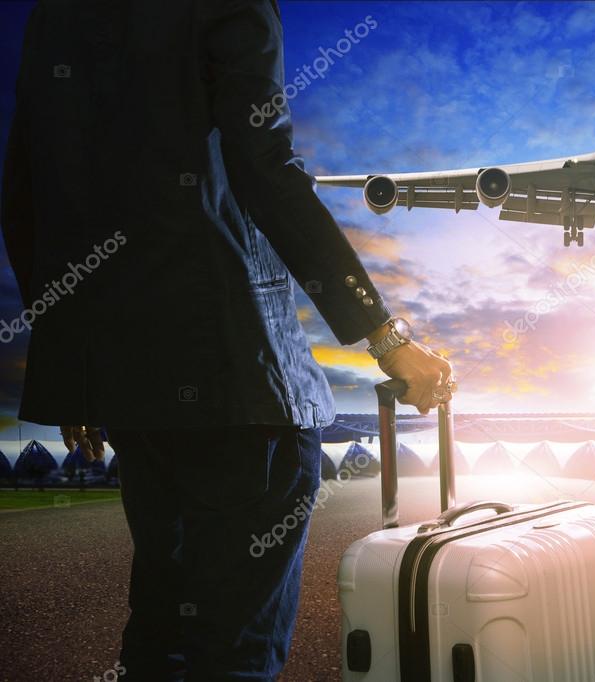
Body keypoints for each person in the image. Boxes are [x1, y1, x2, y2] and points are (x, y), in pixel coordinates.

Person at [0, 1, 452, 679]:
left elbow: (25, 196)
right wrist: (384, 336)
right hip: (242, 382)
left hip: (134, 396)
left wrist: (81, 370)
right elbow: (264, 163)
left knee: (161, 635)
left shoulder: (53, 16)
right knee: (235, 653)